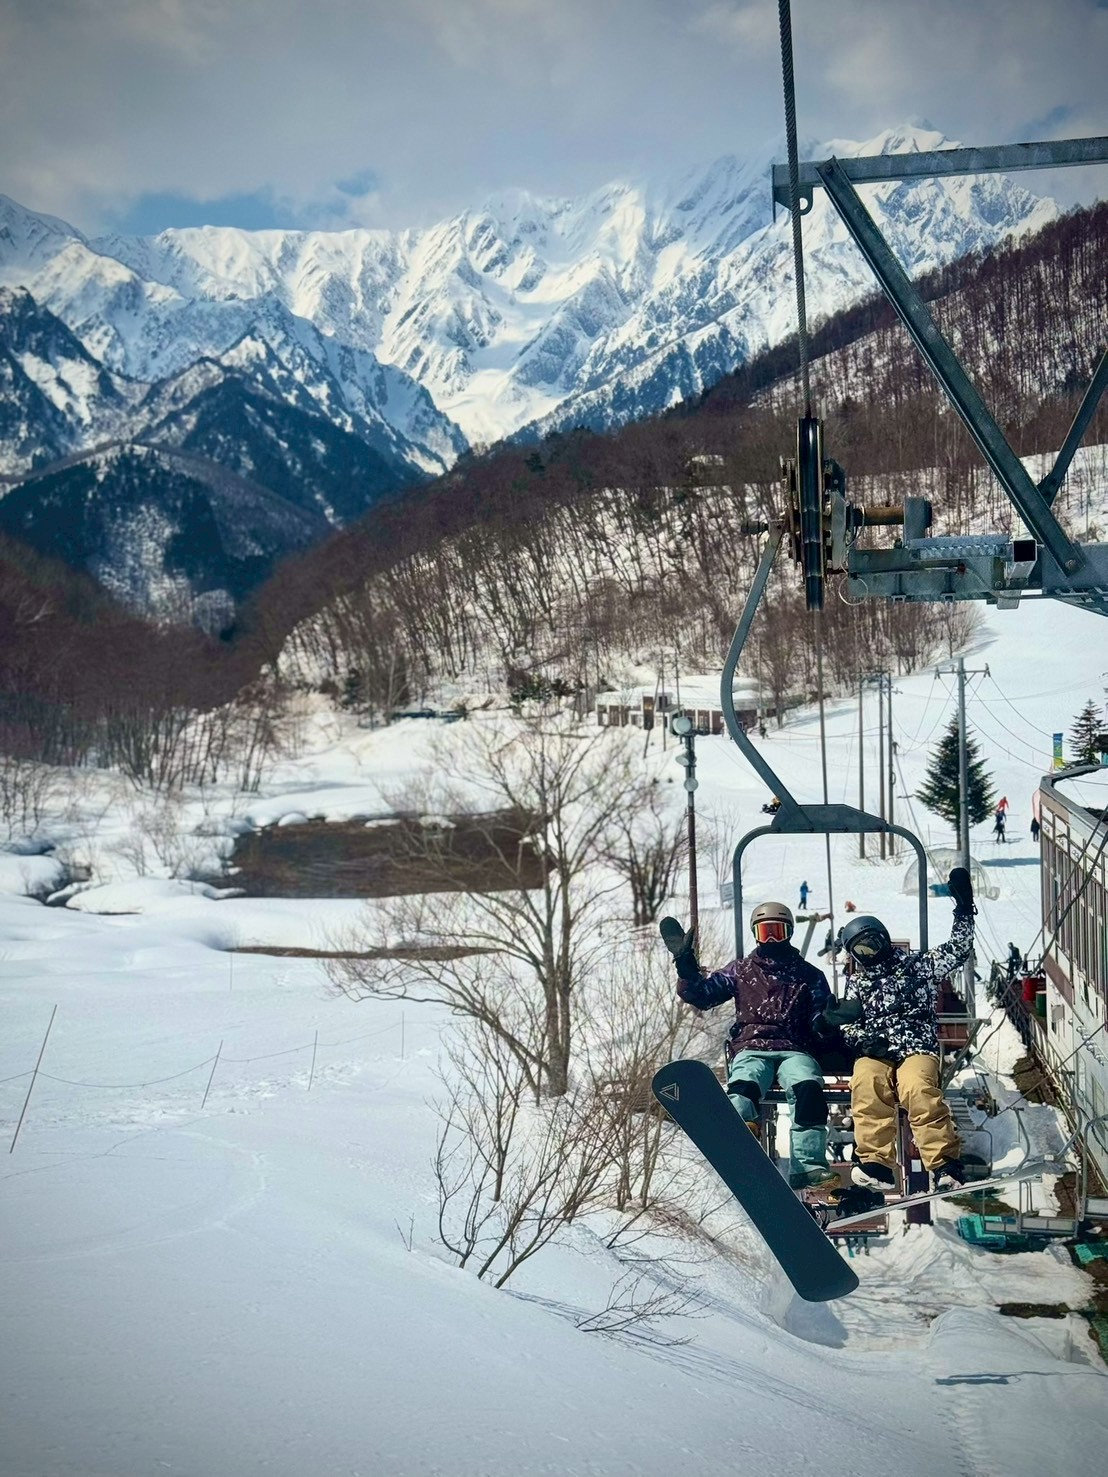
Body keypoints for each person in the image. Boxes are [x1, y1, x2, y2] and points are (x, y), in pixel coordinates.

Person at [659, 902, 839, 1188]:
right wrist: (686, 966)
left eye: (777, 932)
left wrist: (826, 1022)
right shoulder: (742, 971)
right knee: (746, 1082)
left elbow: (821, 1017)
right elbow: (703, 995)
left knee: (807, 1087)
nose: (771, 940)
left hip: (794, 1047)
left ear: (789, 933)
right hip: (752, 1045)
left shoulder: (809, 975)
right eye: (766, 932)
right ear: (756, 934)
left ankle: (807, 1165)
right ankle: (738, 1131)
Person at [825, 868, 977, 1193]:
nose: (871, 954)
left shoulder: (916, 966)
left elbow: (958, 949)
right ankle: (877, 1164)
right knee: (866, 1082)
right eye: (861, 951)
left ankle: (944, 1163)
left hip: (915, 1048)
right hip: (877, 1052)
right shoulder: (859, 981)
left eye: (873, 944)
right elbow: (850, 1025)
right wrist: (862, 1038)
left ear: (885, 938)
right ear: (853, 955)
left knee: (917, 1088)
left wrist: (964, 909)